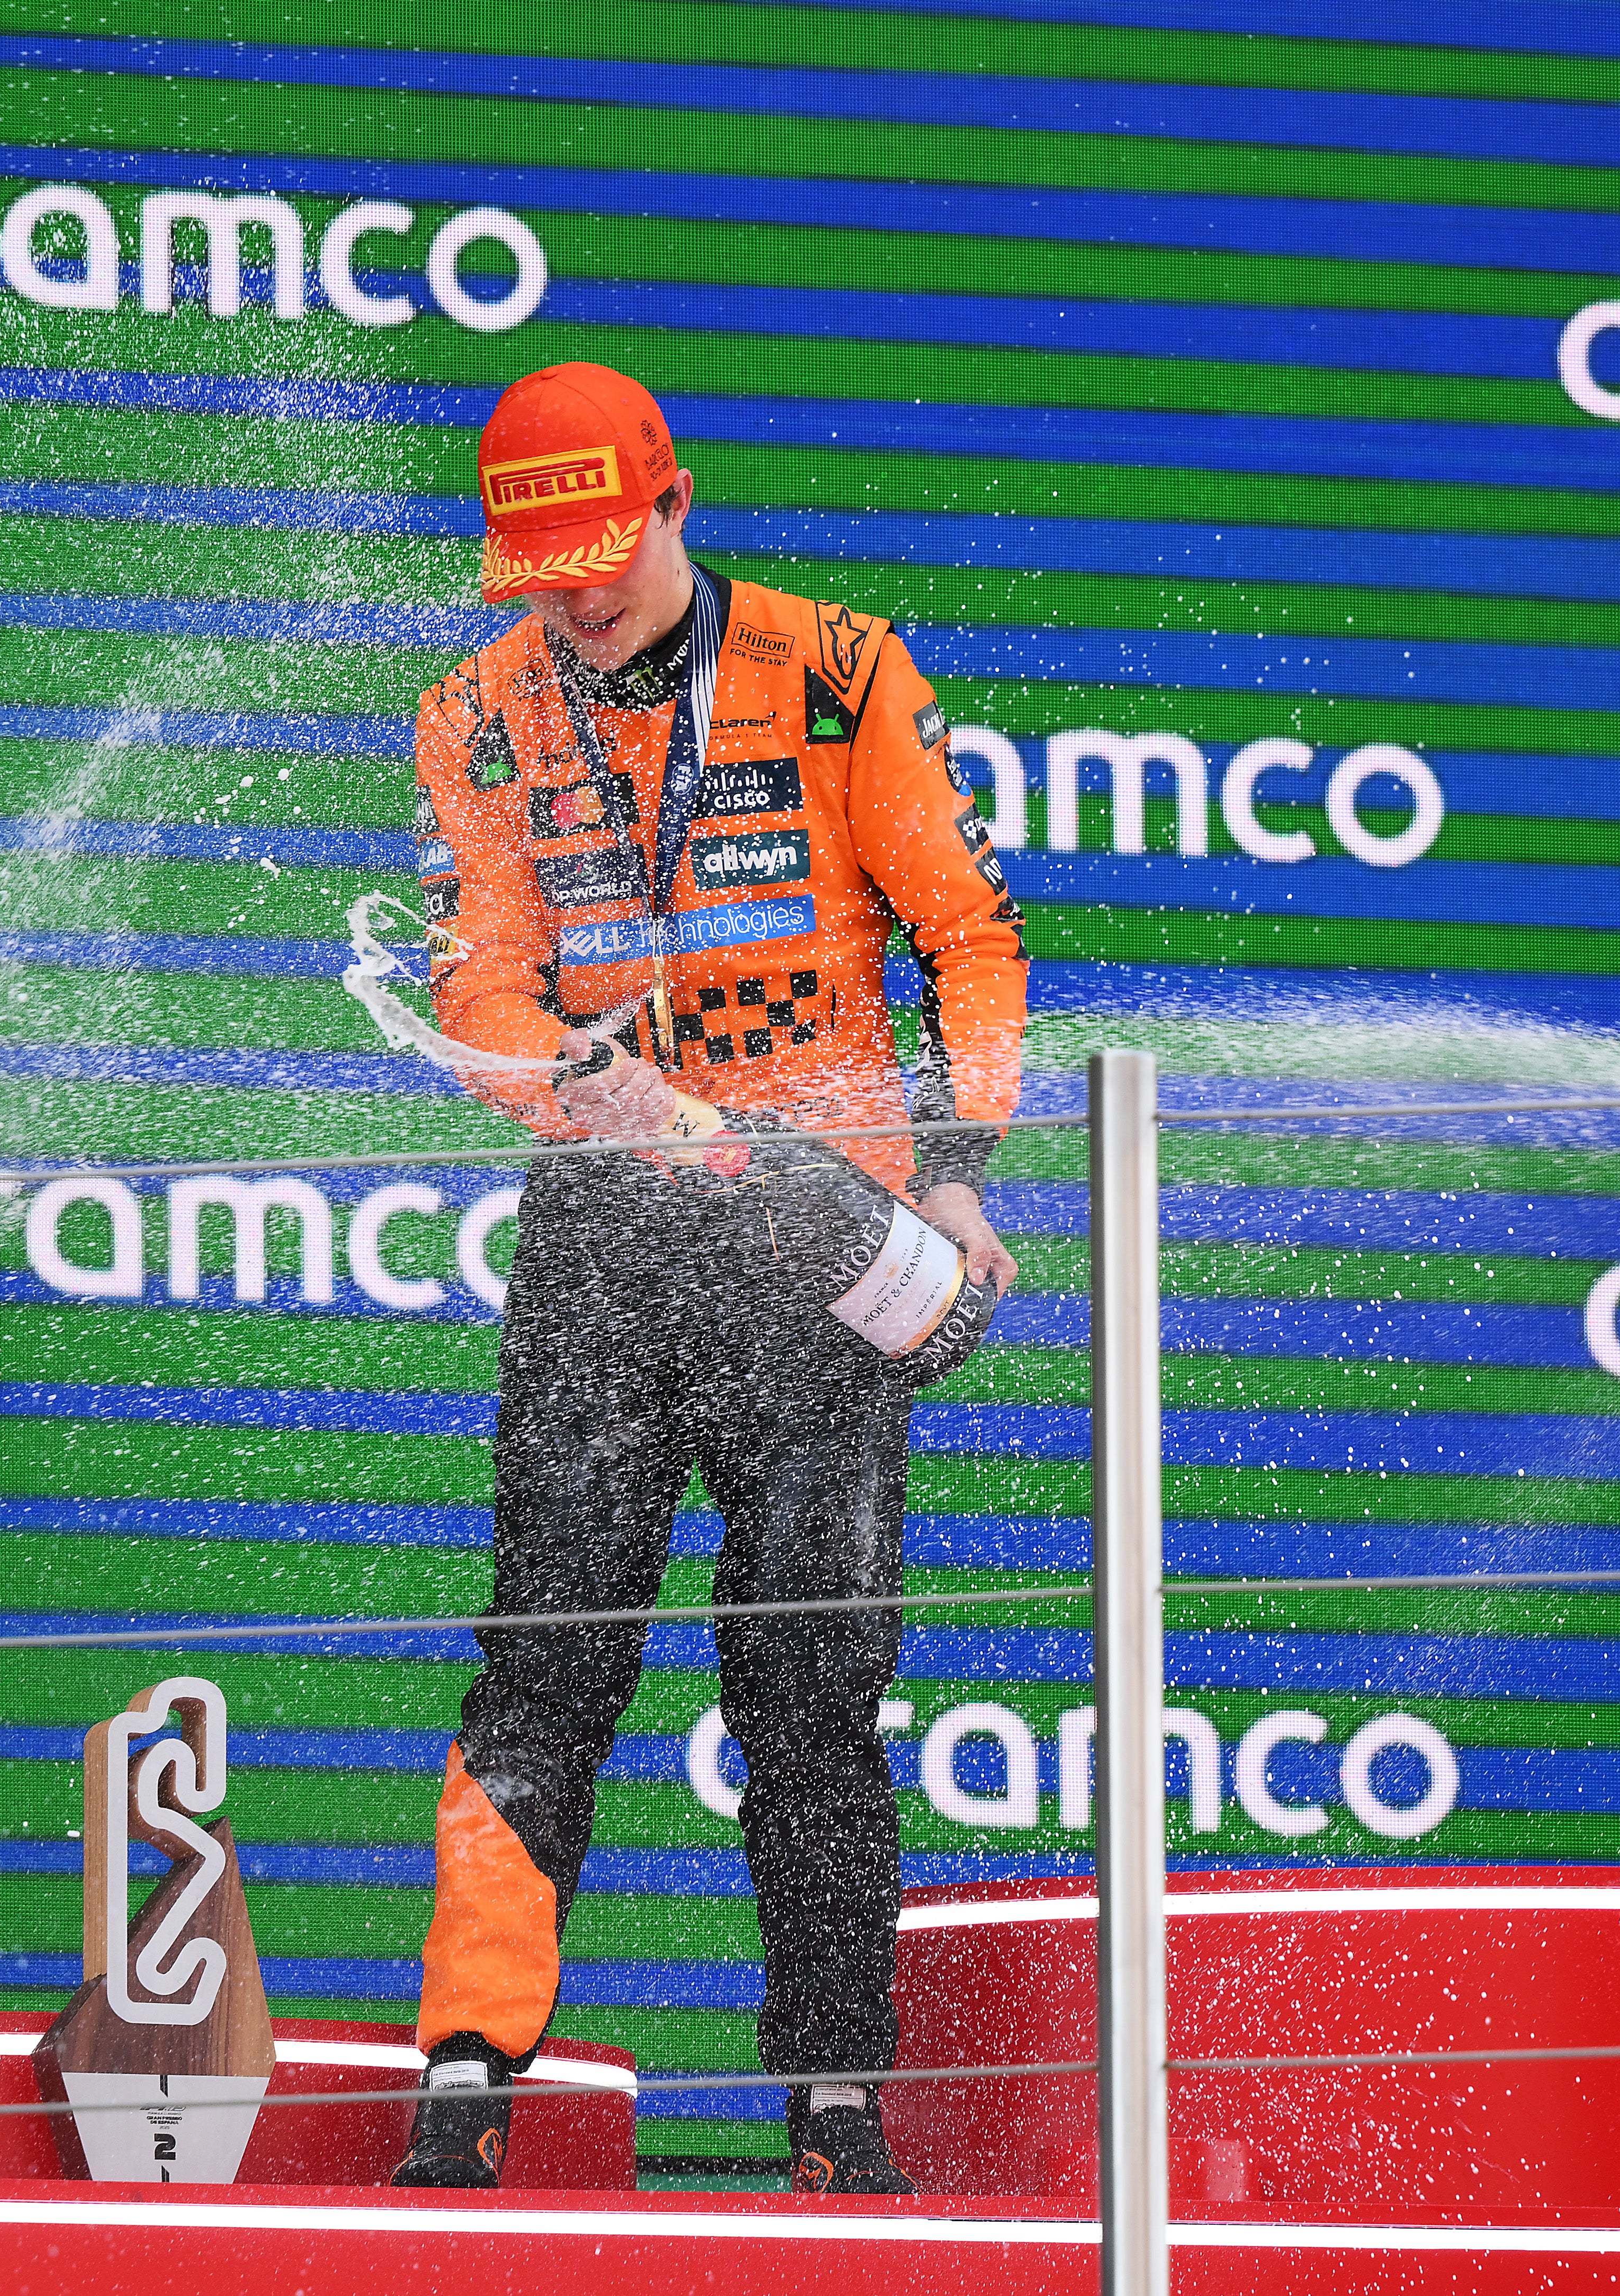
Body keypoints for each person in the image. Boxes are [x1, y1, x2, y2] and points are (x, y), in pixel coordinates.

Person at [392, 362, 1027, 2195]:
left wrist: (965, 1173)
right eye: (545, 568)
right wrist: (585, 1083)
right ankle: (467, 2080)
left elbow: (966, 938)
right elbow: (479, 986)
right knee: (542, 1674)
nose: (578, 598)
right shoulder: (478, 710)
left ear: (676, 501)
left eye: (605, 553)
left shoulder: (835, 669)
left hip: (826, 1235)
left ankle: (836, 2100)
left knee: (813, 1693)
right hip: (604, 1242)